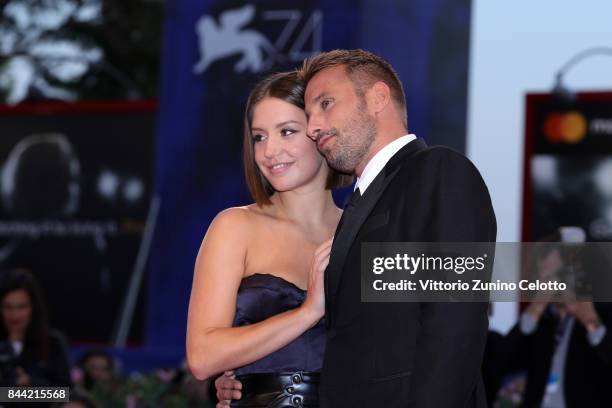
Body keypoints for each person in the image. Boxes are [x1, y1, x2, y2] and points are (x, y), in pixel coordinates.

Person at [216, 49, 497, 407]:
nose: (314, 126)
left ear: (378, 98)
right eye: (308, 114)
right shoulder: (358, 209)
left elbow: (454, 324)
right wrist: (254, 378)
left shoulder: (437, 173)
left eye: (325, 104)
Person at [186, 71, 351, 407]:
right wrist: (307, 313)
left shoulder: (362, 232)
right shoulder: (236, 226)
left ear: (320, 131)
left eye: (287, 132)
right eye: (259, 137)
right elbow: (202, 358)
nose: (269, 151)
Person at [0, 268, 71, 389]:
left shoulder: (52, 343)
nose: (14, 315)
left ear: (33, 307)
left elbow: (65, 394)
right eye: (8, 307)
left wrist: (32, 383)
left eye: (21, 307)